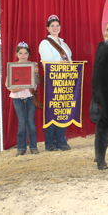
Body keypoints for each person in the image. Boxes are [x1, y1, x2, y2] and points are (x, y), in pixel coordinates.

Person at [39, 14, 72, 151]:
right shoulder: (45, 43)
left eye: (57, 25)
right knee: (52, 111)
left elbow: (70, 60)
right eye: (52, 26)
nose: (55, 28)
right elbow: (47, 61)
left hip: (64, 80)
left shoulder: (64, 44)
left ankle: (61, 141)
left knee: (62, 111)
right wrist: (61, 62)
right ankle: (50, 143)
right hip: (52, 79)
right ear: (47, 28)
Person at [6, 42, 41, 156]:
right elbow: (7, 83)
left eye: (25, 53)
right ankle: (21, 148)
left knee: (31, 121)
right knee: (22, 122)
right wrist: (12, 89)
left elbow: (37, 82)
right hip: (17, 96)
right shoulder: (13, 66)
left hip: (30, 95)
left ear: (28, 54)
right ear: (17, 54)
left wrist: (36, 73)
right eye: (20, 53)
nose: (23, 55)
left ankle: (33, 147)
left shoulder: (33, 65)